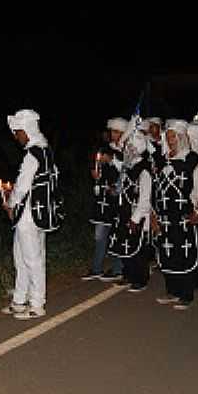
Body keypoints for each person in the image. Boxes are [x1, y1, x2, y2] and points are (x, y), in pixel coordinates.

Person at [1, 109, 62, 319]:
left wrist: (10, 202)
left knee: (32, 259)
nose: (16, 136)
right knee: (22, 257)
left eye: (18, 131)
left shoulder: (33, 154)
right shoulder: (45, 149)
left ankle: (37, 303)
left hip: (28, 215)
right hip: (37, 213)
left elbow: (22, 186)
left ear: (27, 130)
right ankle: (19, 299)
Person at [154, 119, 198, 310]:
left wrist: (197, 211)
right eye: (168, 136)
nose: (170, 140)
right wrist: (154, 216)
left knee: (185, 254)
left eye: (174, 136)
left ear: (181, 138)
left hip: (185, 217)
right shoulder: (162, 161)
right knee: (168, 253)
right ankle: (172, 290)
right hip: (165, 218)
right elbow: (157, 192)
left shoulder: (193, 161)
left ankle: (186, 294)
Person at [106, 126, 154, 292]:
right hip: (124, 213)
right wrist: (115, 190)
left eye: (130, 147)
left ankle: (141, 279)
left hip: (137, 215)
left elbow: (145, 198)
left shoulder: (144, 170)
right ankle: (128, 275)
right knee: (125, 245)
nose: (127, 150)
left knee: (138, 249)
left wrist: (136, 218)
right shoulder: (127, 166)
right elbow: (123, 185)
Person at [82, 117, 127, 282]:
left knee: (115, 233)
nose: (113, 135)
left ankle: (118, 268)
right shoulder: (105, 148)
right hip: (102, 198)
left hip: (118, 199)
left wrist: (112, 160)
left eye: (116, 132)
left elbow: (128, 169)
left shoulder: (127, 150)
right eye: (112, 131)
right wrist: (96, 173)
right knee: (99, 235)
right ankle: (96, 268)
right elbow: (99, 169)